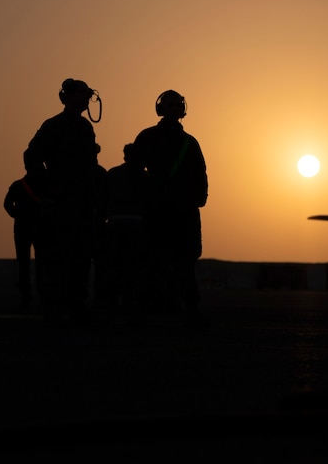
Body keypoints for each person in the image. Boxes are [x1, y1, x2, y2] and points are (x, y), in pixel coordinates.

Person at [23, 78, 101, 325]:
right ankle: (53, 308)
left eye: (86, 95)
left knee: (81, 256)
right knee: (56, 256)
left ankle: (76, 305)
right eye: (80, 95)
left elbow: (90, 166)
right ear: (67, 97)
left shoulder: (85, 128)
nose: (84, 100)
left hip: (82, 203)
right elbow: (32, 156)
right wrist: (48, 186)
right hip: (60, 203)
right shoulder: (54, 125)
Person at [130, 89, 209, 327]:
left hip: (182, 211)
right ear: (161, 109)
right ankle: (147, 309)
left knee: (184, 263)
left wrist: (196, 200)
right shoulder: (149, 137)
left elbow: (200, 175)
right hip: (159, 211)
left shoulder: (189, 142)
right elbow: (134, 171)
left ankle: (187, 308)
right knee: (153, 262)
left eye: (177, 105)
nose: (174, 109)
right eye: (170, 105)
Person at [95, 143, 152, 315]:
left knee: (114, 266)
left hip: (114, 225)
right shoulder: (146, 178)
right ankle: (129, 302)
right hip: (137, 226)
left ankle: (112, 302)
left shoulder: (113, 174)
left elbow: (101, 203)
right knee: (133, 267)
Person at [3, 174, 43, 311]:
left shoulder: (17, 185)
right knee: (42, 264)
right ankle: (43, 296)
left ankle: (26, 297)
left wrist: (19, 216)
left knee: (23, 264)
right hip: (40, 229)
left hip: (22, 229)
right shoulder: (45, 185)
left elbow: (7, 204)